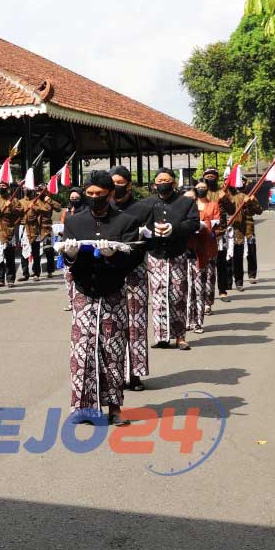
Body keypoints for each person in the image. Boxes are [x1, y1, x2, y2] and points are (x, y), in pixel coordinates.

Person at [55, 170, 142, 426]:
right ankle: (82, 408)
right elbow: (70, 260)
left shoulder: (126, 222)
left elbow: (133, 260)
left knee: (111, 351)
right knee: (82, 351)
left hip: (112, 293)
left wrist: (112, 255)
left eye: (100, 194)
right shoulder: (74, 221)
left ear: (110, 194)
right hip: (84, 292)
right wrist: (70, 256)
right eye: (89, 194)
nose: (94, 198)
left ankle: (114, 408)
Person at [137, 168, 201, 351]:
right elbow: (136, 223)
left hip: (177, 253)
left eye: (167, 180)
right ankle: (161, 336)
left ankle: (180, 336)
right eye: (160, 180)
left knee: (178, 295)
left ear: (173, 183)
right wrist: (147, 231)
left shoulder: (186, 202)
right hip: (155, 254)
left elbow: (194, 223)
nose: (163, 183)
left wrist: (175, 228)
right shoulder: (146, 203)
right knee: (157, 296)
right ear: (155, 183)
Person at [110, 166, 149, 391]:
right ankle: (114, 374)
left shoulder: (142, 209)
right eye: (112, 182)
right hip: (110, 271)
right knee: (113, 326)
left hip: (135, 271)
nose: (115, 186)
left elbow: (150, 242)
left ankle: (135, 374)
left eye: (120, 182)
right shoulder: (106, 208)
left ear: (129, 184)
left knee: (136, 324)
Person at [186, 180, 221, 334]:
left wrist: (198, 228)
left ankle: (198, 322)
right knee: (186, 291)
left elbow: (207, 231)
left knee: (198, 289)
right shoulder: (180, 215)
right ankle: (188, 320)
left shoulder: (204, 214)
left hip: (199, 256)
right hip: (183, 258)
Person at [201, 168, 236, 302]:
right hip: (203, 233)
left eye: (212, 176)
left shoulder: (222, 192)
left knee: (221, 263)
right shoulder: (200, 193)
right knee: (204, 264)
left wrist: (225, 198)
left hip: (219, 233)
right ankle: (204, 293)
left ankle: (222, 291)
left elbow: (232, 210)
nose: (210, 178)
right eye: (207, 176)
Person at [22, 184, 62, 281]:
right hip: (34, 229)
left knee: (48, 250)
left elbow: (58, 208)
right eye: (38, 191)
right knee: (35, 252)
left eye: (42, 191)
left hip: (46, 229)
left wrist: (49, 200)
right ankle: (36, 273)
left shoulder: (49, 201)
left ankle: (50, 271)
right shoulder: (33, 201)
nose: (40, 193)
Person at [227, 184, 263, 288]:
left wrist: (251, 202)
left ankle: (252, 274)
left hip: (248, 228)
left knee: (250, 251)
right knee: (230, 254)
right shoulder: (225, 195)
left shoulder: (248, 196)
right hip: (232, 228)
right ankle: (230, 280)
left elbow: (259, 210)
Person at [0, 179, 25, 287]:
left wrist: (10, 206)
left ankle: (10, 279)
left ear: (7, 188)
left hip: (9, 230)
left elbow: (20, 212)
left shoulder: (14, 200)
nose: (1, 186)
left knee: (9, 256)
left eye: (3, 185)